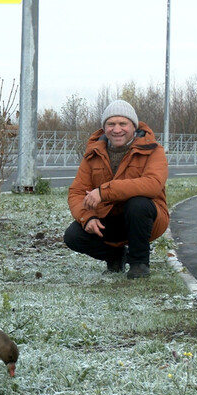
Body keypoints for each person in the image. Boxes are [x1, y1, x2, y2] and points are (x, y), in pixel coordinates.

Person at [64, 99, 169, 279]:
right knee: (73, 236)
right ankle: (116, 256)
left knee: (138, 204)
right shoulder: (93, 153)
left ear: (134, 126)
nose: (117, 129)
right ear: (104, 128)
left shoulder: (153, 150)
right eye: (111, 124)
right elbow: (77, 192)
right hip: (108, 217)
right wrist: (87, 218)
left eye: (123, 123)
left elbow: (152, 184)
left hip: (146, 218)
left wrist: (104, 192)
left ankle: (139, 264)